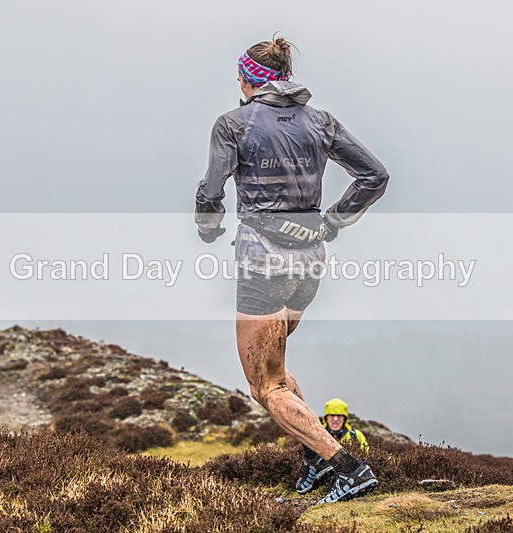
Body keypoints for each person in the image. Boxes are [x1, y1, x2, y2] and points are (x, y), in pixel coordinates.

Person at [195, 36, 389, 504]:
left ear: (250, 79)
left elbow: (211, 191)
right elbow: (374, 176)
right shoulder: (321, 122)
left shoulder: (232, 125)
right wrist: (333, 223)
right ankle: (313, 459)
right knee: (278, 367)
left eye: (240, 74)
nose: (237, 82)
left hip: (261, 259)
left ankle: (346, 467)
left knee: (266, 385)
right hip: (309, 261)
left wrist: (207, 226)